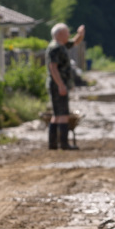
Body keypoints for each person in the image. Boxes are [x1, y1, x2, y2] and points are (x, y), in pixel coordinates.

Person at [47, 22, 85, 150]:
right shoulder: (55, 48)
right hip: (58, 85)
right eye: (67, 32)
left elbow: (74, 42)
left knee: (57, 114)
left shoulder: (61, 45)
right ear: (60, 34)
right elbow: (53, 68)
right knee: (63, 114)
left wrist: (80, 34)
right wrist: (61, 85)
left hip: (58, 85)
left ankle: (53, 144)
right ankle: (63, 143)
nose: (69, 34)